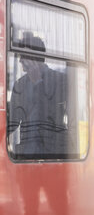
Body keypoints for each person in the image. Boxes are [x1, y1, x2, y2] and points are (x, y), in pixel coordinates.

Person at [8, 31, 70, 159]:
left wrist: (38, 82)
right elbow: (12, 123)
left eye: (23, 56)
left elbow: (52, 115)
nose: (19, 60)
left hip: (52, 155)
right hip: (25, 156)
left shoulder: (60, 80)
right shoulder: (20, 85)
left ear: (35, 57)